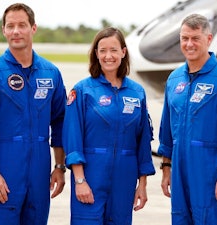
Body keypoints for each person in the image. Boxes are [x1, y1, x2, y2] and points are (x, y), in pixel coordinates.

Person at [0, 3, 67, 225]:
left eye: (22, 25)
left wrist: (60, 167)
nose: (16, 31)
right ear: (3, 30)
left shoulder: (51, 74)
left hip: (40, 170)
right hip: (4, 167)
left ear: (33, 28)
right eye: (10, 26)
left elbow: (61, 122)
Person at [158, 14, 217, 224]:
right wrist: (166, 168)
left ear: (208, 39)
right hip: (180, 172)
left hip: (211, 172)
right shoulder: (174, 79)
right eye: (184, 38)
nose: (189, 44)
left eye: (195, 38)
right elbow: (167, 129)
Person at [62, 27, 156, 225]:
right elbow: (73, 138)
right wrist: (80, 181)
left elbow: (143, 141)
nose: (108, 56)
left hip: (125, 177)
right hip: (91, 175)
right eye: (102, 50)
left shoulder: (137, 92)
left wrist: (142, 184)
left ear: (123, 52)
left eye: (113, 50)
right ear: (96, 54)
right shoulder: (82, 91)